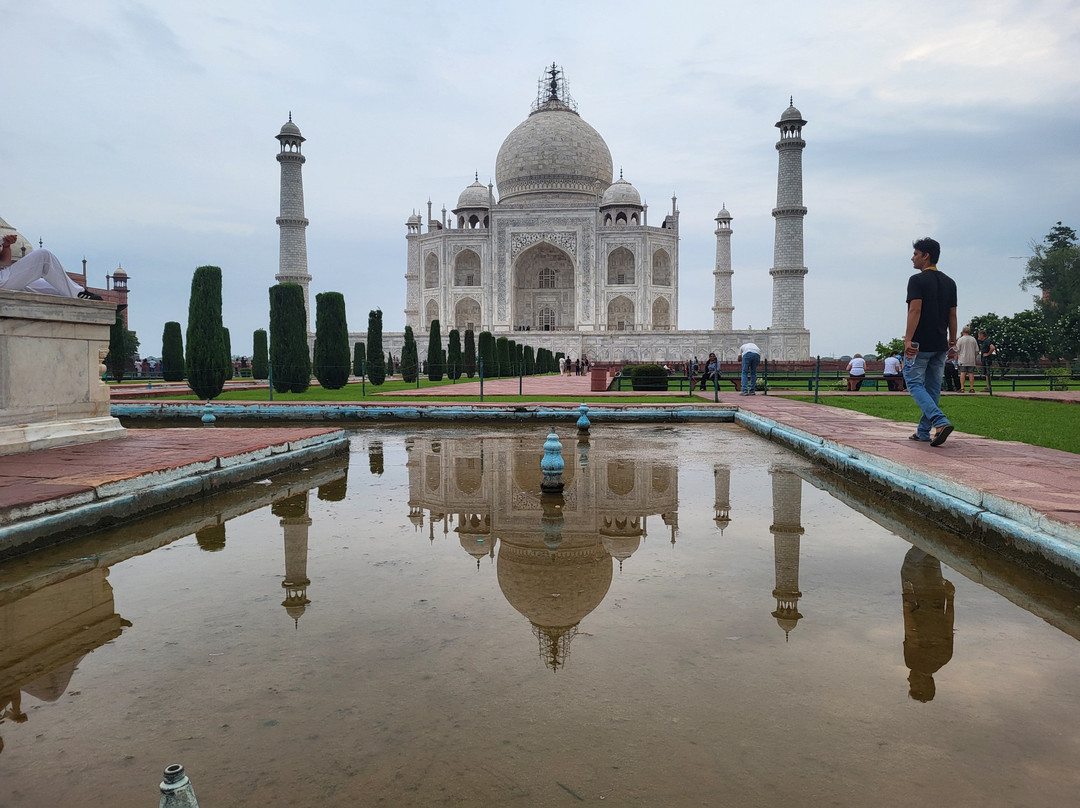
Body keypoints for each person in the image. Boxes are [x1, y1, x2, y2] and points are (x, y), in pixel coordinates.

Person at [903, 237, 957, 446]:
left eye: (915, 254)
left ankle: (940, 422)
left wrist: (908, 339)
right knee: (933, 388)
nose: (912, 258)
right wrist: (952, 341)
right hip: (939, 344)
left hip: (920, 344)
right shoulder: (950, 282)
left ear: (926, 256)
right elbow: (952, 315)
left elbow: (915, 310)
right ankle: (923, 431)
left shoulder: (916, 280)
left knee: (914, 382)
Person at [0, 238, 90, 298]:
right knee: (43, 255)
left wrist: (6, 246)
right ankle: (78, 293)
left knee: (57, 289)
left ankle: (79, 295)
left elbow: (5, 262)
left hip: (4, 279)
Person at [956, 326, 979, 393]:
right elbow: (976, 351)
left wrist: (956, 359)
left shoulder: (960, 339)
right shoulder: (973, 339)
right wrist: (974, 357)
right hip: (971, 359)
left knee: (962, 373)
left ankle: (962, 388)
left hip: (962, 359)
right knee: (971, 373)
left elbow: (957, 350)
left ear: (963, 332)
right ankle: (971, 388)